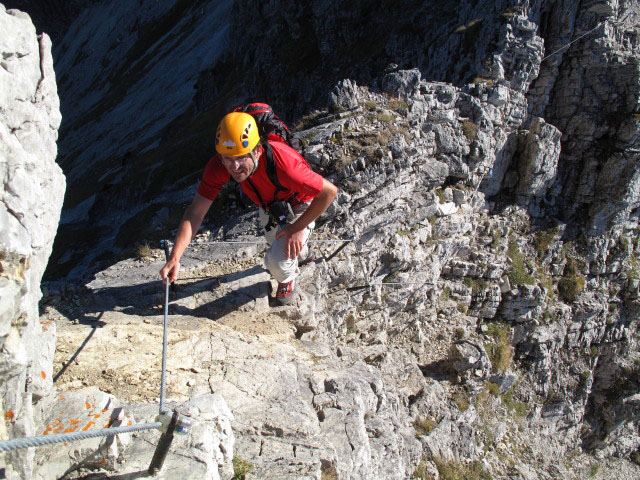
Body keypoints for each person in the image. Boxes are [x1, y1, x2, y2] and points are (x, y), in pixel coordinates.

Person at [160, 111, 337, 305]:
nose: (234, 166)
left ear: (258, 150)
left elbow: (328, 193)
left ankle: (288, 279)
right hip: (271, 205)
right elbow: (196, 211)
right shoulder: (219, 165)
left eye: (241, 158)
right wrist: (176, 256)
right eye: (226, 158)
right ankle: (303, 255)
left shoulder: (284, 164)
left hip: (302, 202)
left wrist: (297, 227)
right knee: (275, 240)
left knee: (275, 262)